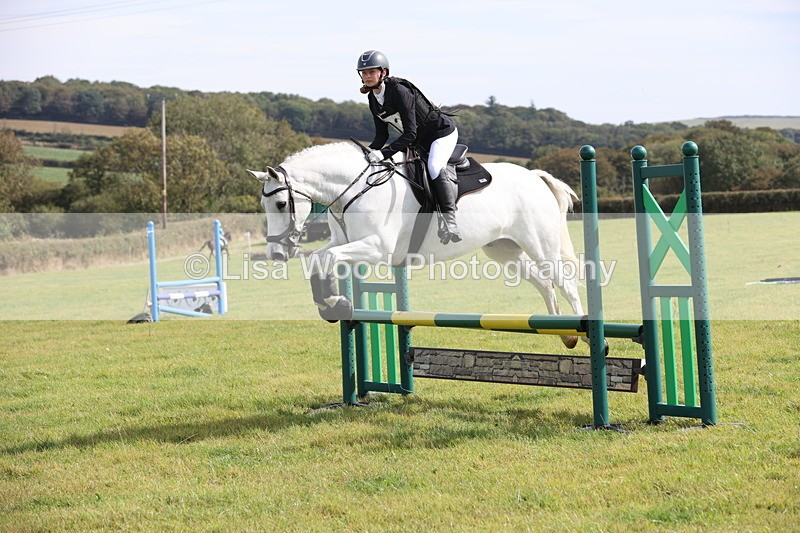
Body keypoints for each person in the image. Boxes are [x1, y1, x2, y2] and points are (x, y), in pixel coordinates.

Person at [356, 49, 462, 244]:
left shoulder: (399, 91)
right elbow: (382, 135)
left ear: (383, 73)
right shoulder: (373, 99)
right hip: (418, 140)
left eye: (372, 72)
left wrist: (384, 153)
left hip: (440, 133)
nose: (367, 76)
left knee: (434, 166)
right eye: (364, 72)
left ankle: (450, 220)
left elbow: (409, 133)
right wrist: (369, 152)